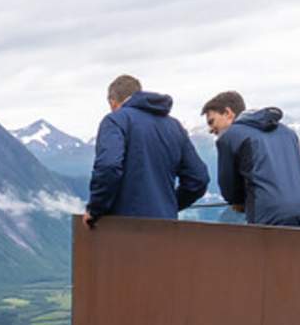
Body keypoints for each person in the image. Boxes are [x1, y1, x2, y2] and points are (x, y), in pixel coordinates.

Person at [85, 75, 209, 226]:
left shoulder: (115, 121)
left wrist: (95, 209)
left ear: (112, 101)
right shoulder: (174, 126)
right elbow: (199, 179)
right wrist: (169, 205)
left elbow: (108, 166)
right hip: (166, 228)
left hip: (123, 229)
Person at [202, 91, 300, 227]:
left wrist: (239, 202)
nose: (211, 130)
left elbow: (230, 189)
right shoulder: (287, 132)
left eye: (212, 122)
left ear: (228, 113)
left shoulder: (230, 136)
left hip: (270, 215)